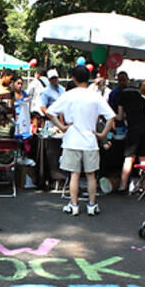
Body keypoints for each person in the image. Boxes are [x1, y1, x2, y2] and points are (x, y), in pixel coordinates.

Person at [46, 65, 116, 216]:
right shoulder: (95, 96)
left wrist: (62, 127)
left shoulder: (68, 95)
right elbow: (111, 116)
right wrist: (102, 134)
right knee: (91, 175)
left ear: (73, 78)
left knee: (74, 175)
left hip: (72, 140)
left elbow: (50, 112)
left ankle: (74, 204)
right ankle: (91, 205)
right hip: (90, 141)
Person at [117, 83, 145, 194]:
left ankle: (123, 186)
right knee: (143, 158)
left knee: (129, 158)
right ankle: (143, 186)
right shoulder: (141, 99)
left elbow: (120, 117)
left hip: (134, 129)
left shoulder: (122, 98)